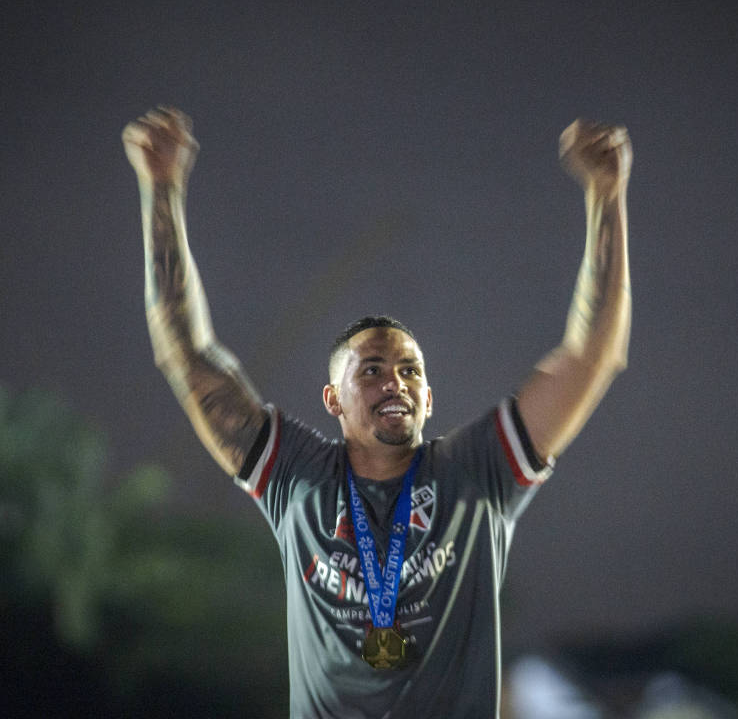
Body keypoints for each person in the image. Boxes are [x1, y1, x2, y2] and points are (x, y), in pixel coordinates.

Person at [122, 107, 632, 718]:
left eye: (411, 370)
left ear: (429, 397)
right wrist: (162, 188)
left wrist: (607, 194)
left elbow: (591, 357)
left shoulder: (478, 470)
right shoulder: (296, 477)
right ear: (332, 399)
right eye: (371, 369)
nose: (396, 381)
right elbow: (187, 354)